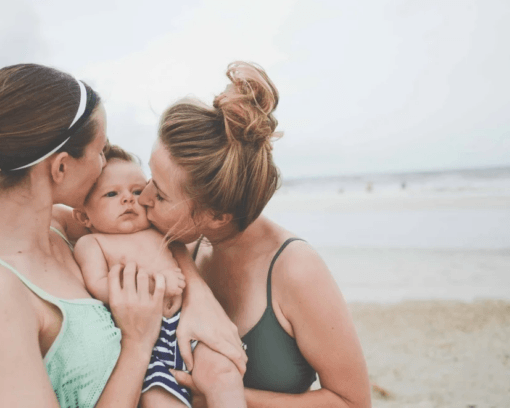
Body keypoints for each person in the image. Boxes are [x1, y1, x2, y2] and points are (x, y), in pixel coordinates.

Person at [0, 64, 170, 408]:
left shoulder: (58, 227)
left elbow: (155, 233)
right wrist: (137, 343)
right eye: (100, 151)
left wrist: (202, 305)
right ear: (60, 167)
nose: (104, 165)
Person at [138, 61, 372, 407]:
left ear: (216, 216)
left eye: (159, 194)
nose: (142, 197)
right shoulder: (182, 242)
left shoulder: (295, 269)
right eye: (148, 178)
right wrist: (197, 288)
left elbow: (352, 401)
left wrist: (222, 393)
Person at [67, 144, 245, 408]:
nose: (128, 199)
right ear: (84, 216)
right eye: (112, 194)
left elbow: (182, 251)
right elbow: (98, 285)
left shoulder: (159, 229)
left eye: (137, 191)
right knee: (158, 399)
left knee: (224, 375)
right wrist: (154, 284)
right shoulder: (93, 244)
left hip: (188, 326)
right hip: (146, 342)